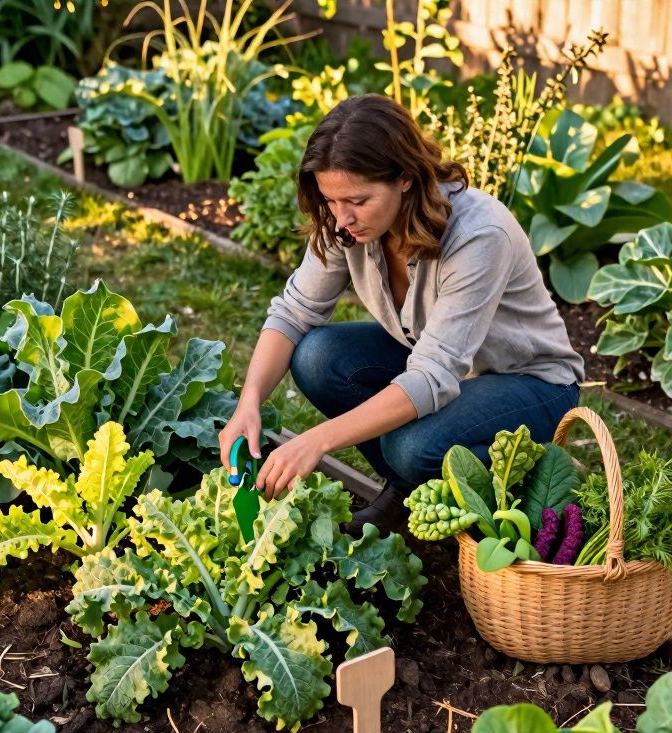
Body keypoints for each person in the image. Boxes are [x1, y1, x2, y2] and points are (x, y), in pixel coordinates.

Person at [218, 94, 584, 530]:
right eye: (331, 201)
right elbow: (294, 312)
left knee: (413, 448)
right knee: (318, 356)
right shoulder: (347, 222)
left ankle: (528, 479)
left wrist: (315, 442)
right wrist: (249, 403)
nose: (340, 219)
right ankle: (408, 487)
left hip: (529, 383)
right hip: (437, 366)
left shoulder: (479, 234)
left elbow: (432, 376)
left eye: (356, 200)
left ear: (406, 178)